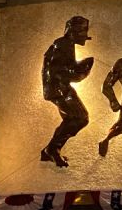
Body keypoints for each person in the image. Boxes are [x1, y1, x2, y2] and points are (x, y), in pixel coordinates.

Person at [40, 16, 95, 167]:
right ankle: (52, 149)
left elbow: (64, 68)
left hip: (58, 88)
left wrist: (80, 68)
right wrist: (83, 70)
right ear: (75, 31)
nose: (85, 36)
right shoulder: (63, 44)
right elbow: (59, 71)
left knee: (72, 119)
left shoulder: (64, 44)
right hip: (59, 89)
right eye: (83, 32)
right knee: (81, 118)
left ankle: (50, 151)